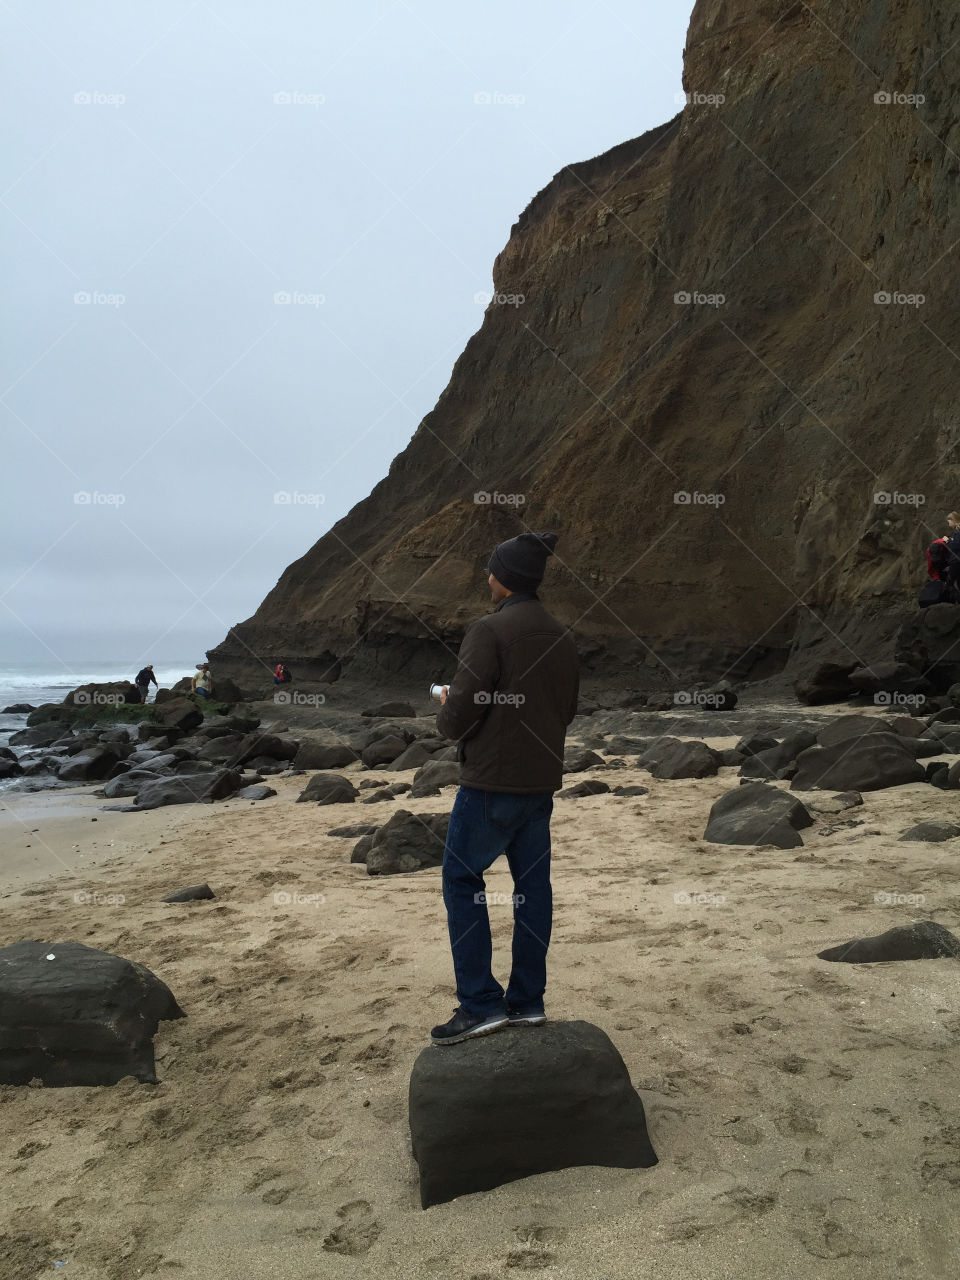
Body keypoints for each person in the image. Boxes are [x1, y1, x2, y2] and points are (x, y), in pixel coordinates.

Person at [431, 531, 579, 1046]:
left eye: (490, 569)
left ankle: (480, 1004)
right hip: (540, 783)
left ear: (503, 578)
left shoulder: (489, 630)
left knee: (462, 883)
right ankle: (528, 1001)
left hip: (492, 782)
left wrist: (446, 708)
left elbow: (463, 710)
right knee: (532, 890)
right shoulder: (562, 634)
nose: (486, 576)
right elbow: (565, 709)